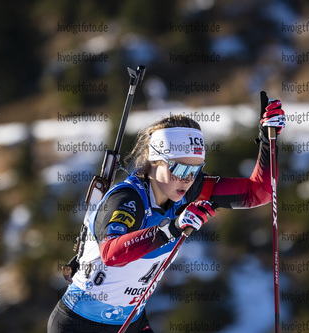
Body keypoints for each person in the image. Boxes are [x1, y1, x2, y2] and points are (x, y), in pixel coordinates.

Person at [47, 91, 285, 332]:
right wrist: (172, 228)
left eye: (195, 171)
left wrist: (268, 141)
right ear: (155, 161)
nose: (188, 180)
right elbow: (111, 253)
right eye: (179, 170)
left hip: (130, 321)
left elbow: (259, 193)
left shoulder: (188, 189)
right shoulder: (127, 199)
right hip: (79, 324)